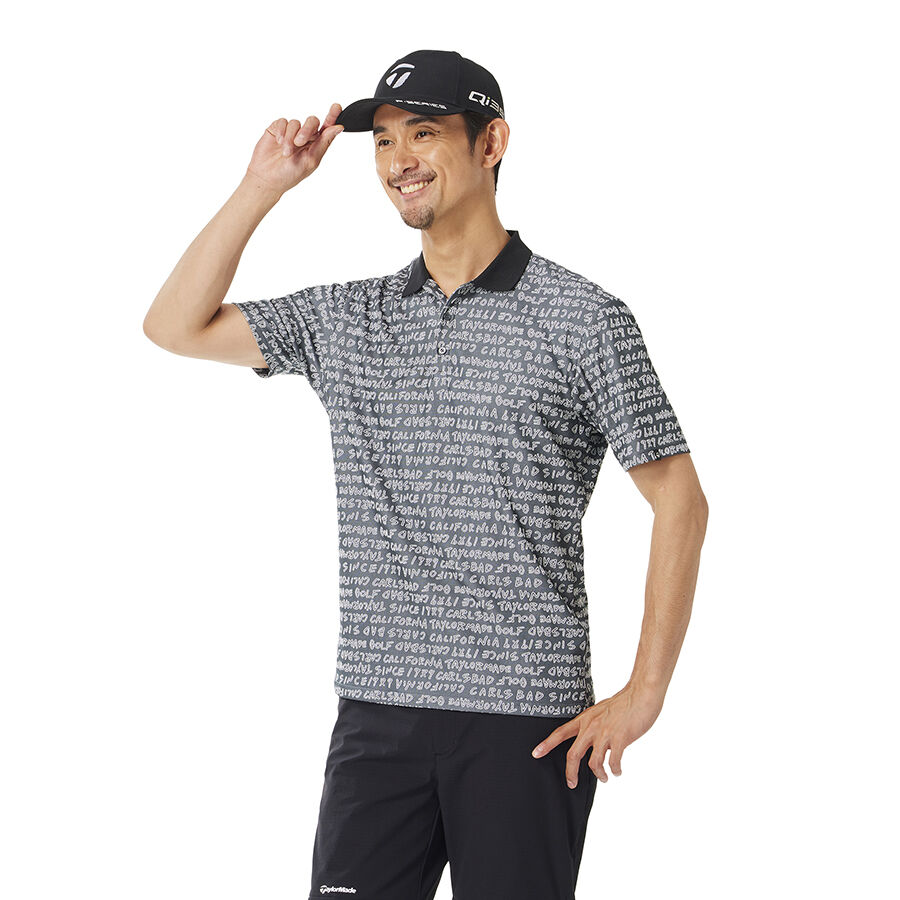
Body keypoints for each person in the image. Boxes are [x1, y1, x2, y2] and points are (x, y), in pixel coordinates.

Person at [144, 48, 708, 900]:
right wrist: (263, 186)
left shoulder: (585, 321)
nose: (397, 159)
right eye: (382, 140)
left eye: (424, 133)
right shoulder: (348, 320)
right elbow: (173, 326)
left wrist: (646, 692)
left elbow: (680, 502)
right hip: (377, 717)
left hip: (527, 723)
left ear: (492, 144)